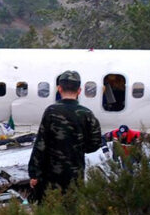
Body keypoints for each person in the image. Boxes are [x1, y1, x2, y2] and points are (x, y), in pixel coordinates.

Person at [28, 70, 103, 203]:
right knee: (72, 212)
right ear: (79, 91)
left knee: (50, 210)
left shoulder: (51, 111)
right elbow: (95, 143)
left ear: (59, 88)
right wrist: (79, 148)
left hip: (50, 176)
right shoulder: (86, 114)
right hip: (75, 175)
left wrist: (34, 173)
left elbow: (40, 144)